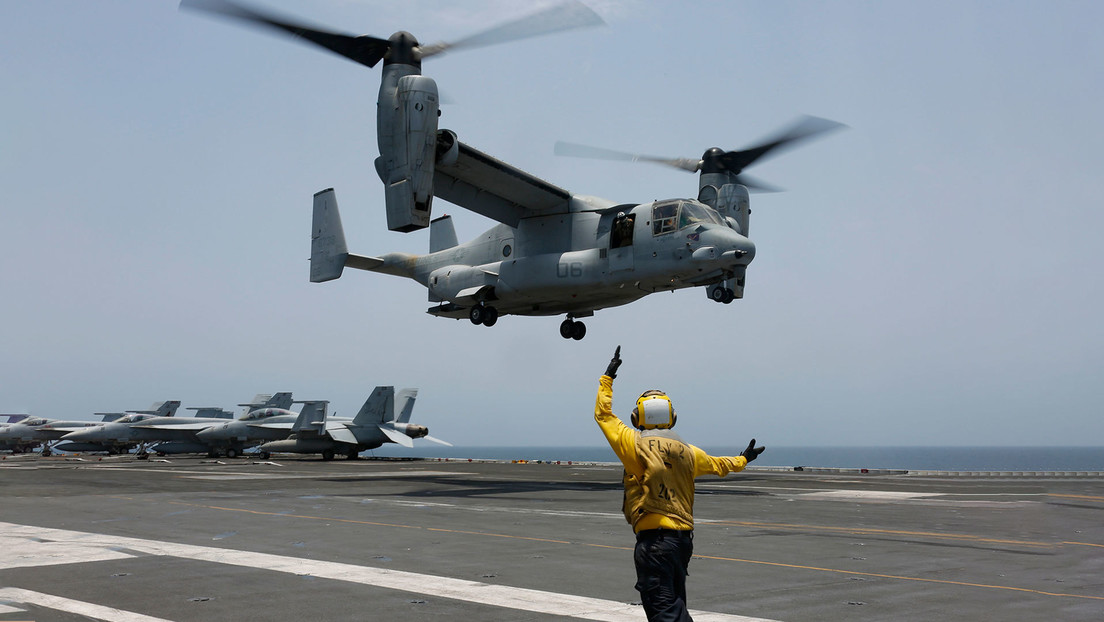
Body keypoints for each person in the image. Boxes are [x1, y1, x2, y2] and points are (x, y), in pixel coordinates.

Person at [594, 346, 764, 622]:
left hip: (655, 543)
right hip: (681, 544)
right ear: (672, 417)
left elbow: (604, 415)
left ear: (637, 417)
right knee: (674, 606)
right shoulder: (689, 452)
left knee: (665, 613)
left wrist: (607, 378)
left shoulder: (634, 444)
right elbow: (720, 465)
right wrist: (744, 458)